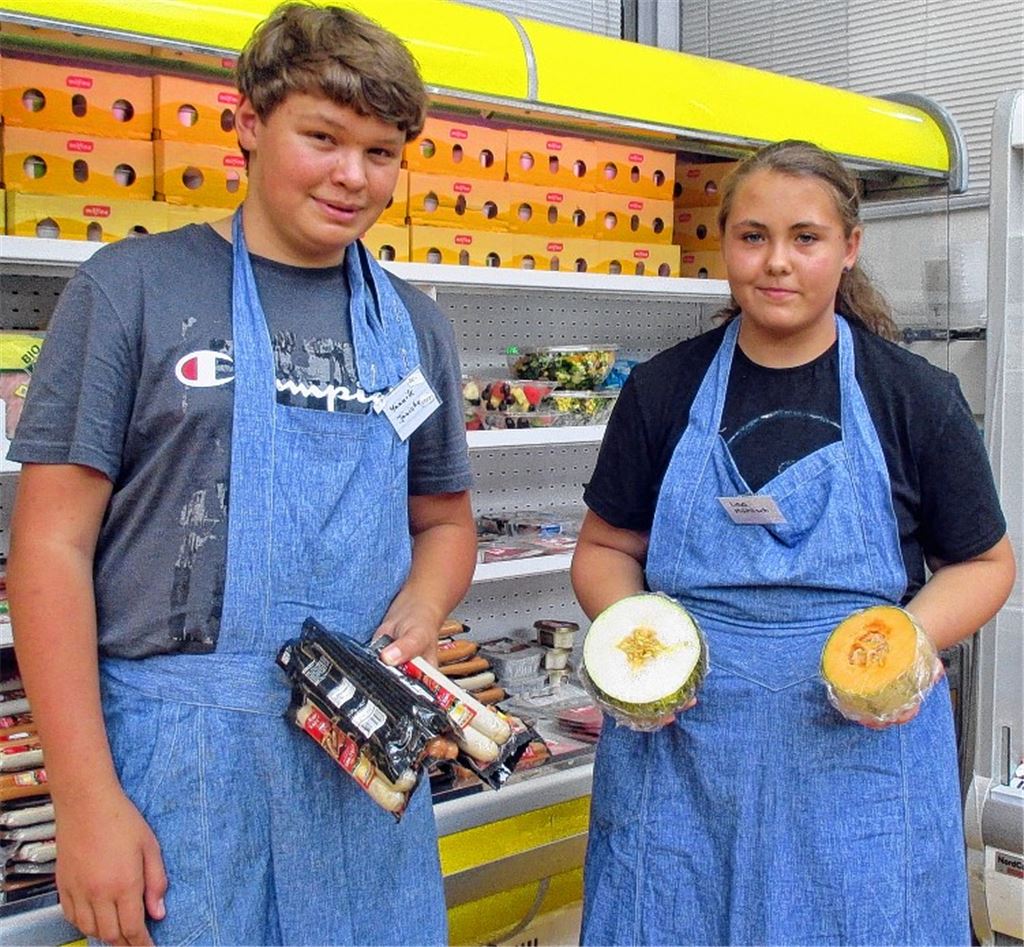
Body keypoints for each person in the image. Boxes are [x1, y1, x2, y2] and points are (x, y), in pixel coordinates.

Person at [7, 4, 477, 945]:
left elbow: (446, 520)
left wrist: (423, 608)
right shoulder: (133, 289)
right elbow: (48, 548)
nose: (354, 176)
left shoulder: (414, 328)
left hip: (358, 755)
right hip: (182, 765)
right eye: (324, 138)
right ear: (249, 124)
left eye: (382, 152)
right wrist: (88, 801)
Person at [571, 139, 1015, 946]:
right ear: (725, 243)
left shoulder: (913, 394)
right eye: (753, 236)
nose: (777, 262)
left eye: (805, 238)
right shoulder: (662, 390)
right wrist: (645, 654)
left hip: (861, 753)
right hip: (685, 752)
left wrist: (906, 641)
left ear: (849, 248)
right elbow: (603, 549)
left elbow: (984, 564)